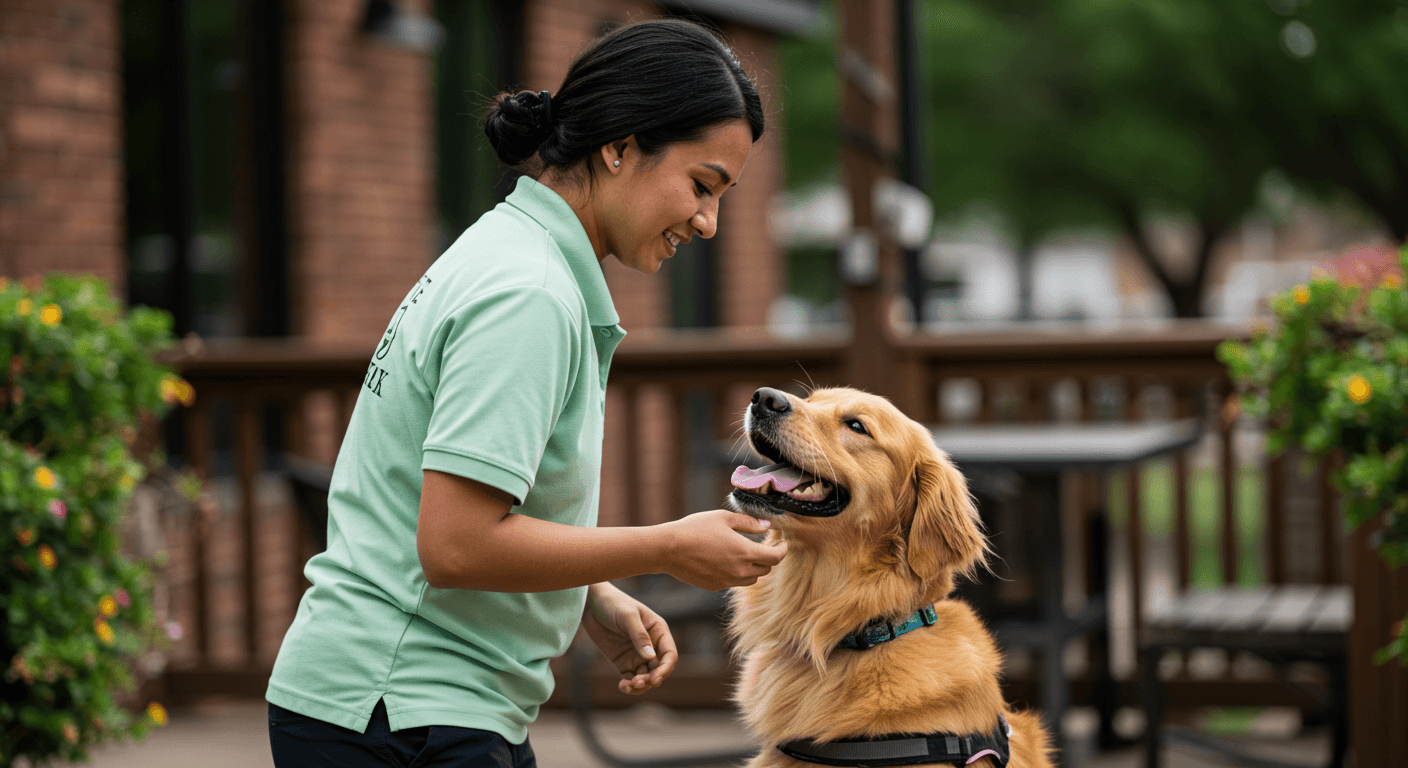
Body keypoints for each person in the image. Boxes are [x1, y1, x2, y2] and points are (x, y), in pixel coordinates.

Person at [265, 18, 787, 768]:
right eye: (702, 185)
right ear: (619, 148)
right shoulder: (529, 294)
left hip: (405, 703)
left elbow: (460, 508)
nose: (708, 221)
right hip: (400, 709)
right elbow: (455, 543)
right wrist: (668, 547)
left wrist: (587, 592)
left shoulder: (509, 253)